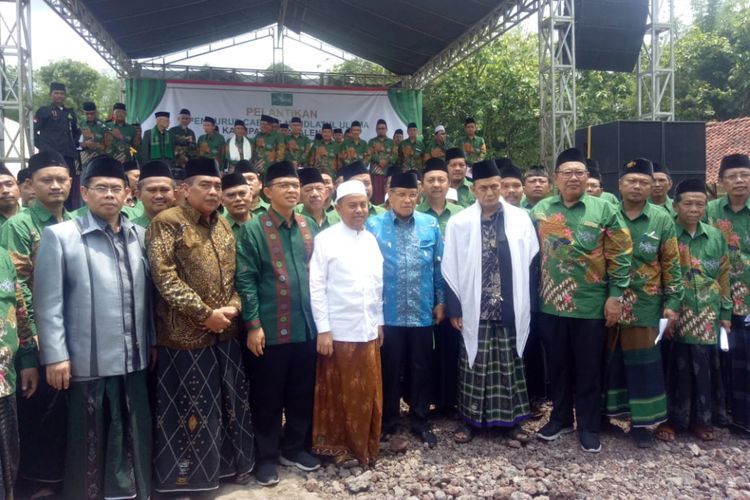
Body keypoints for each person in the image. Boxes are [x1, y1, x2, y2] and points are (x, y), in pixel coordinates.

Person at [34, 155, 153, 499]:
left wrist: (152, 343)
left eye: (117, 189)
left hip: (134, 360)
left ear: (128, 194)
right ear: (84, 193)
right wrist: (56, 356)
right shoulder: (61, 236)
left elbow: (148, 299)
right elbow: (48, 302)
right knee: (91, 437)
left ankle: (135, 492)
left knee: (133, 431)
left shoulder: (139, 236)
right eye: (101, 188)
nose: (109, 195)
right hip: (88, 362)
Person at [147, 157, 254, 493]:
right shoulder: (167, 223)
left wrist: (234, 307)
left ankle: (230, 467)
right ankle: (189, 479)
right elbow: (164, 279)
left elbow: (236, 276)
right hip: (184, 338)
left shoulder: (222, 225)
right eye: (205, 185)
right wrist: (206, 313)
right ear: (184, 189)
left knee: (228, 404)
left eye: (217, 186)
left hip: (226, 334)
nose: (213, 191)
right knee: (192, 409)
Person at [531, 147, 632, 453]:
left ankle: (588, 425)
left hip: (590, 306)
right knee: (558, 366)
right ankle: (561, 417)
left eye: (579, 172)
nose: (573, 178)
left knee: (589, 368)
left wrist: (616, 296)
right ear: (555, 178)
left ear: (588, 177)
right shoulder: (539, 211)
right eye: (567, 173)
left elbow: (621, 255)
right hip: (550, 305)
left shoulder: (604, 209)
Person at [442, 158, 538, 444]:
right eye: (483, 187)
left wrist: (527, 304)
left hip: (510, 303)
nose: (490, 193)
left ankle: (512, 423)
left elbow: (531, 261)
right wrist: (455, 308)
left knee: (510, 363)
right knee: (475, 362)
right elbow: (449, 268)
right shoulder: (459, 223)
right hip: (475, 304)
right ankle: (471, 422)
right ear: (473, 190)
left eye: (495, 187)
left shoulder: (520, 218)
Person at [236, 160, 320, 486]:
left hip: (305, 327)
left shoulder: (307, 226)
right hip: (269, 330)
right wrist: (254, 324)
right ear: (267, 191)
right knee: (267, 397)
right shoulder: (253, 230)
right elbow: (246, 280)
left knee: (301, 392)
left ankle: (294, 447)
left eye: (294, 185)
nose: (291, 190)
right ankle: (266, 457)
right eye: (283, 185)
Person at [0, 150, 72, 494]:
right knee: (40, 415)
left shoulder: (76, 220)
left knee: (65, 415)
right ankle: (39, 484)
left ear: (72, 183)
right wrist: (31, 350)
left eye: (61, 179)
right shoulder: (20, 226)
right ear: (30, 185)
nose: (55, 186)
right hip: (40, 340)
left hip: (74, 335)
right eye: (47, 180)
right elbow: (19, 295)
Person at [602, 158, 682, 448]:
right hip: (609, 302)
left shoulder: (661, 219)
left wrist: (672, 301)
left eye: (644, 182)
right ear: (620, 184)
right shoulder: (608, 213)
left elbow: (672, 262)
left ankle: (642, 424)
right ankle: (606, 416)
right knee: (608, 361)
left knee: (644, 365)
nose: (637, 186)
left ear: (653, 186)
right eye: (631, 181)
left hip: (646, 304)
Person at [366, 172, 445, 448]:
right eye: (401, 194)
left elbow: (438, 267)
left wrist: (441, 300)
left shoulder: (430, 224)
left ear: (419, 195)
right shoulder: (373, 225)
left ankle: (420, 420)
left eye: (412, 194)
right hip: (389, 314)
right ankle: (389, 422)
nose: (407, 199)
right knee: (390, 368)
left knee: (421, 368)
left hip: (422, 312)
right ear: (389, 195)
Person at [309, 179, 384, 468]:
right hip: (338, 332)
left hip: (367, 329)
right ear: (338, 207)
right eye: (352, 205)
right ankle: (339, 448)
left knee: (368, 391)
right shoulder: (326, 240)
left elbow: (377, 286)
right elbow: (317, 287)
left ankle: (365, 445)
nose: (359, 210)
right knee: (340, 392)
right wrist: (324, 329)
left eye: (363, 204)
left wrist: (379, 322)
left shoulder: (370, 240)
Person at [661, 178, 731, 442]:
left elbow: (723, 275)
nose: (694, 209)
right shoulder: (669, 234)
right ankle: (670, 420)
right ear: (676, 205)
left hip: (707, 312)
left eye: (700, 204)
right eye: (688, 203)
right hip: (676, 310)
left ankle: (701, 420)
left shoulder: (714, 236)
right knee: (674, 366)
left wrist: (725, 313)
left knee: (703, 366)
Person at [706, 153, 750, 437]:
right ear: (721, 181)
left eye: (744, 175)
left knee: (745, 358)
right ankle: (720, 413)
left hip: (748, 299)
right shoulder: (708, 210)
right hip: (714, 298)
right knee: (718, 358)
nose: (739, 181)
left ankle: (744, 418)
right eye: (732, 176)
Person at [0, 243, 34, 500]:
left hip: (5, 383)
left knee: (8, 462)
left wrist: (27, 359)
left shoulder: (3, 257)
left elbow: (19, 312)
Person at [33, 82, 80, 179]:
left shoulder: (69, 113)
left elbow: (76, 132)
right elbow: (33, 132)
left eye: (62, 93)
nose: (59, 96)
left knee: (68, 182)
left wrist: (73, 146)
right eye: (56, 93)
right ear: (50, 95)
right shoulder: (44, 111)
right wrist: (43, 147)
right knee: (50, 181)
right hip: (50, 155)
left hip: (68, 156)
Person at [417, 158, 464, 235]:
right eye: (431, 180)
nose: (436, 185)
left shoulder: (460, 212)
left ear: (449, 184)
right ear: (422, 185)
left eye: (441, 180)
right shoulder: (415, 213)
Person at [130, 160, 175, 228]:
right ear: (138, 195)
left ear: (175, 193)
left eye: (164, 190)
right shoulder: (128, 230)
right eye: (152, 190)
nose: (159, 196)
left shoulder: (187, 228)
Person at [368, 119, 397, 204]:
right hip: (375, 173)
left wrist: (386, 161)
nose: (381, 130)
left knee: (388, 195)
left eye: (383, 128)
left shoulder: (392, 142)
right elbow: (369, 154)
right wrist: (379, 160)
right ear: (376, 130)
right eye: (379, 128)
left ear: (386, 129)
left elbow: (395, 155)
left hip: (388, 173)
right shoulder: (372, 142)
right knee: (376, 197)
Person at [220, 172, 253, 238]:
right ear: (222, 201)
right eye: (231, 195)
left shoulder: (264, 224)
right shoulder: (218, 229)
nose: (238, 199)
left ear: (250, 196)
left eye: (242, 193)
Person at [79, 102, 111, 167]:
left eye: (92, 113)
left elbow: (109, 143)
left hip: (99, 157)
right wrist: (85, 144)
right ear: (83, 113)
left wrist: (98, 145)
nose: (89, 116)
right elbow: (74, 142)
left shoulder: (103, 125)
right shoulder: (79, 124)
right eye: (87, 114)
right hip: (84, 157)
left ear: (96, 112)